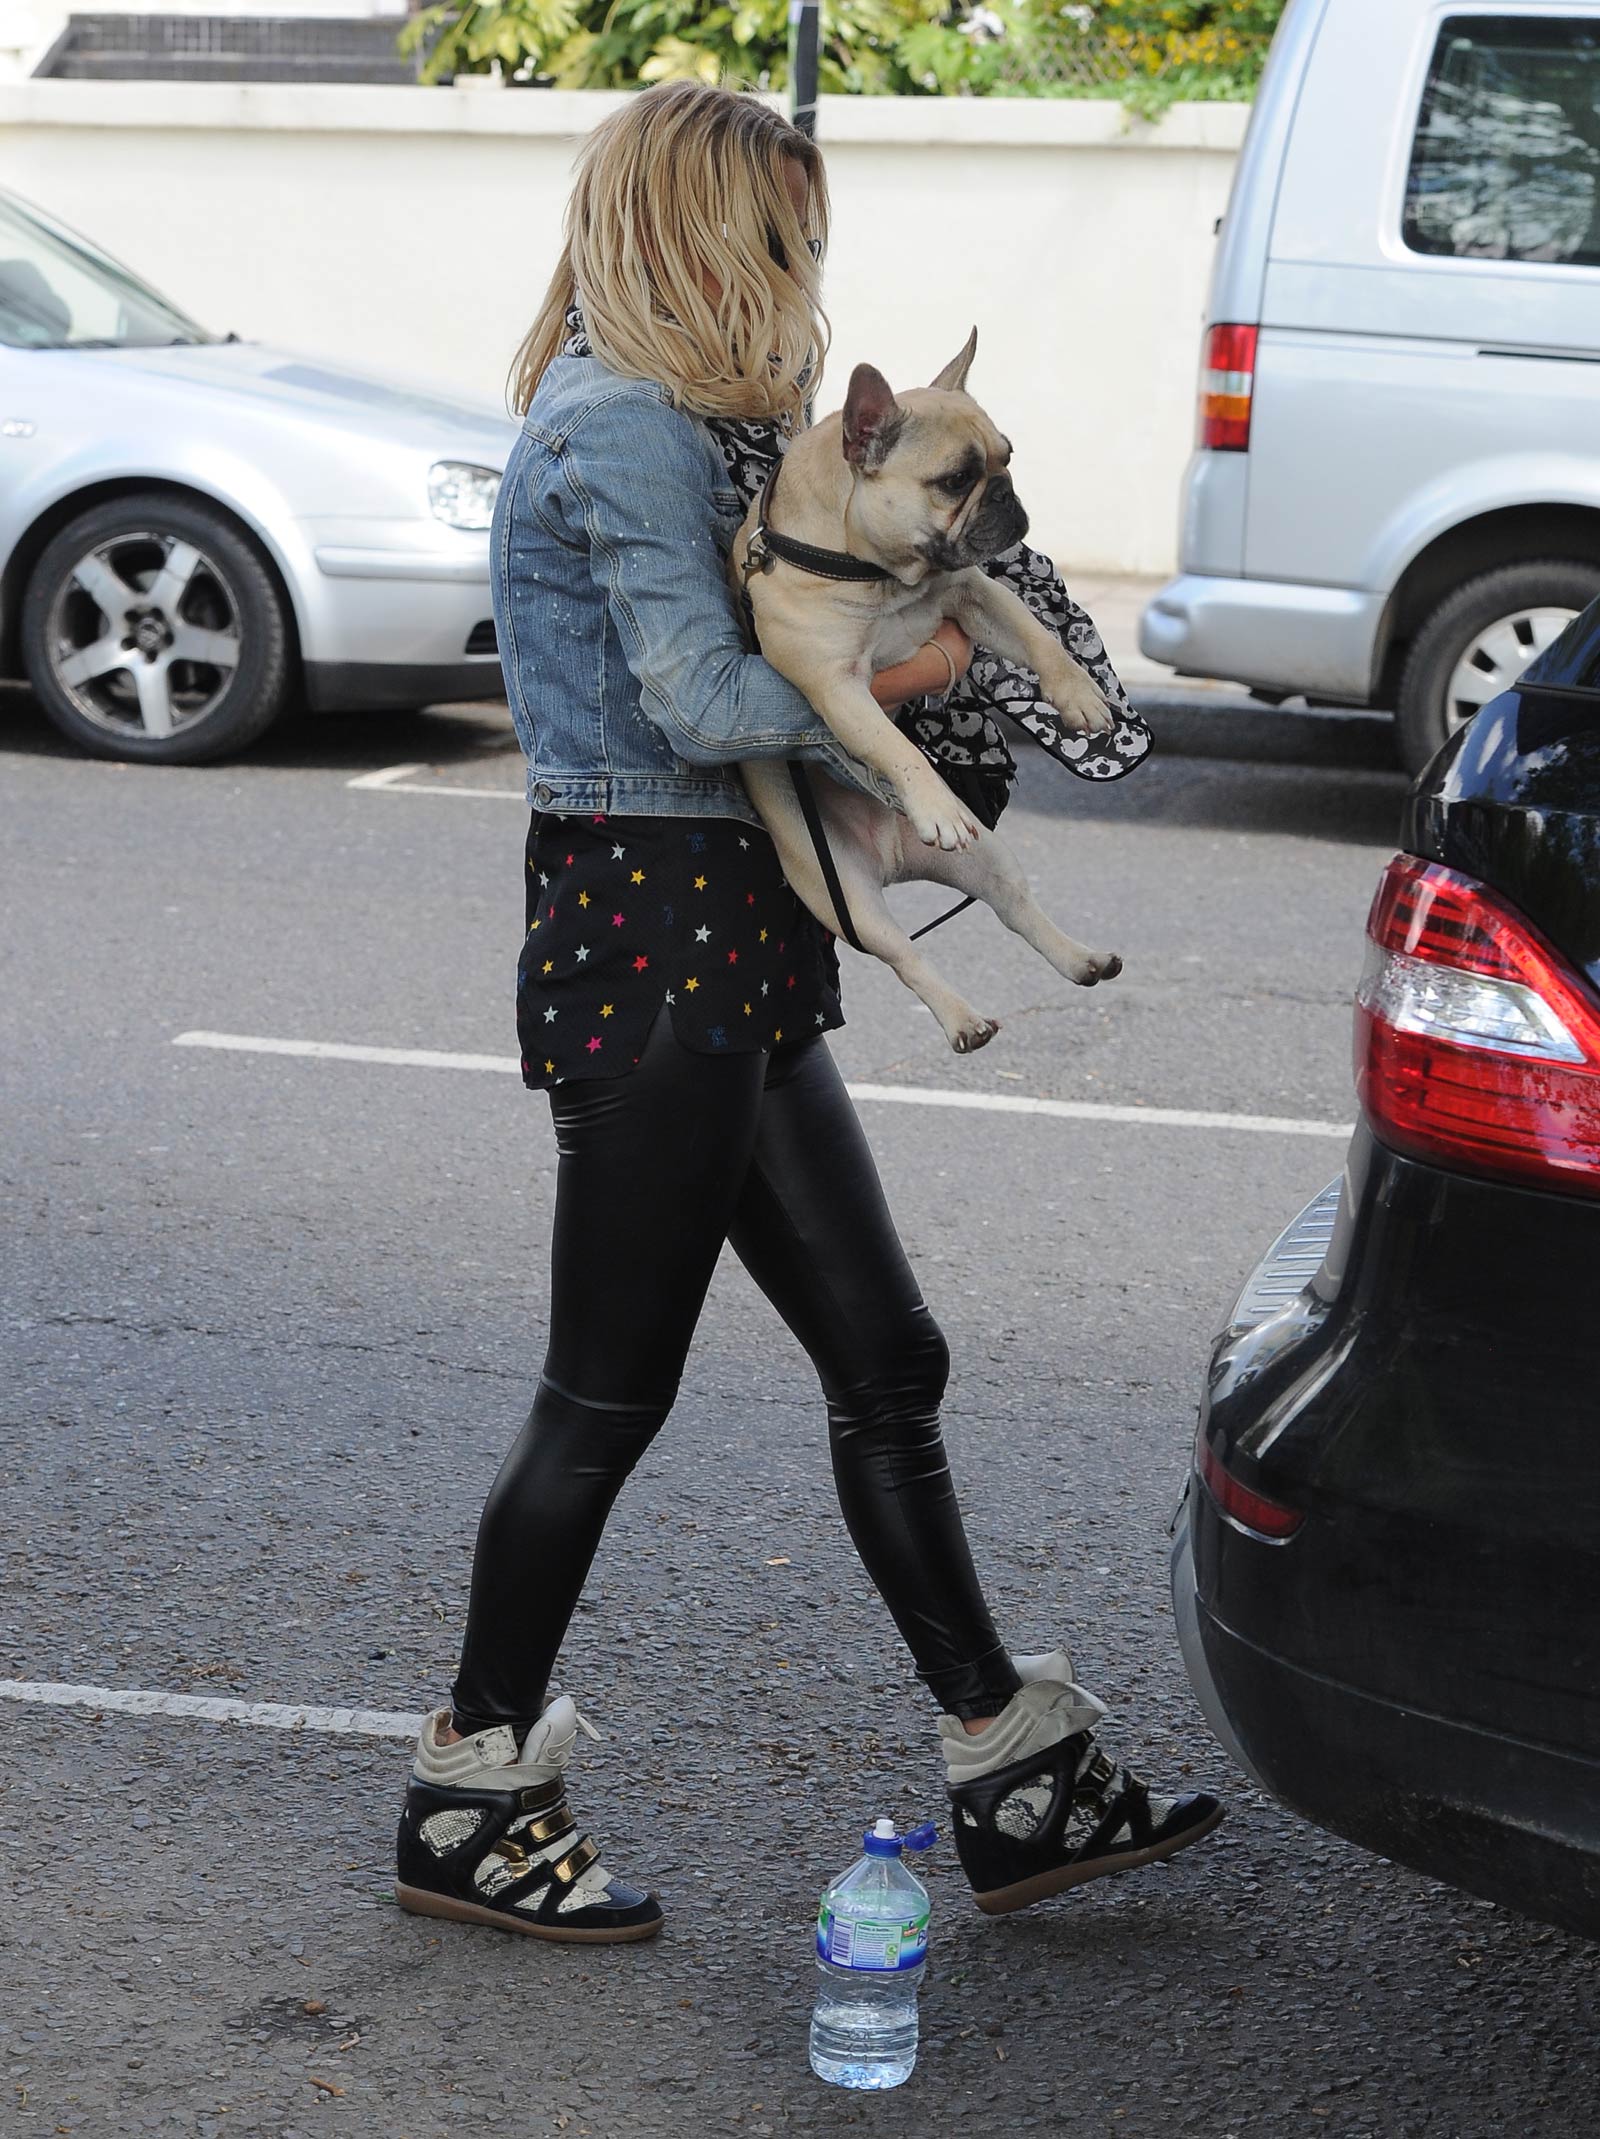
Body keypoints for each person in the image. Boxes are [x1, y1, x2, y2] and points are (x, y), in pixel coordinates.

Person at [395, 80, 1221, 1944]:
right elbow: (698, 700)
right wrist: (928, 657)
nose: (808, 271)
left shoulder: (723, 421)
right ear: (700, 233)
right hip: (645, 927)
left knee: (887, 1361)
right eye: (785, 235)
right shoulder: (613, 428)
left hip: (741, 928)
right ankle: (469, 1781)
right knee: (606, 1397)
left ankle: (1008, 1763)